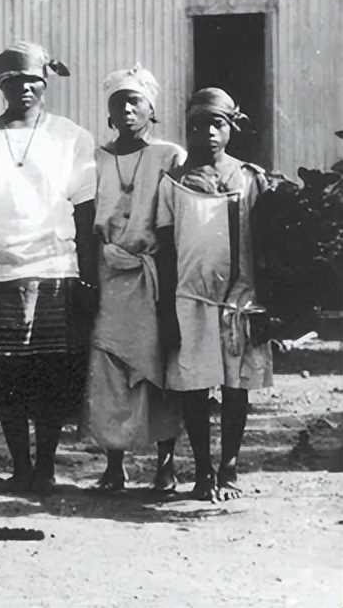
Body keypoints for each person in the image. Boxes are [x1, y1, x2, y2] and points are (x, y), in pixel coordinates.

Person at [0, 42, 98, 494]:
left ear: (46, 82)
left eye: (32, 80)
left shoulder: (71, 137)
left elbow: (86, 210)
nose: (23, 89)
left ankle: (47, 465)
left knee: (51, 370)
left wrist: (87, 275)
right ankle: (19, 465)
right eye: (13, 81)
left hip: (54, 270)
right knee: (5, 372)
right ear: (1, 84)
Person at [156, 87, 273, 502]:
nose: (207, 132)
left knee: (235, 386)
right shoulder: (172, 182)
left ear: (231, 128)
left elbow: (262, 246)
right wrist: (167, 308)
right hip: (191, 298)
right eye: (198, 124)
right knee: (195, 387)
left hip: (240, 300)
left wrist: (265, 306)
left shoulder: (249, 177)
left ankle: (229, 469)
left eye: (217, 124)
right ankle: (202, 472)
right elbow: (166, 249)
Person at [84, 65, 183, 492]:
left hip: (150, 275)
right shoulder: (97, 157)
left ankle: (166, 464)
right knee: (108, 368)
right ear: (107, 112)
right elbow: (87, 218)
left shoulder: (169, 156)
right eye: (117, 101)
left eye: (134, 100)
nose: (126, 108)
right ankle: (114, 463)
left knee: (157, 368)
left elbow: (173, 224)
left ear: (150, 109)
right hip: (109, 276)